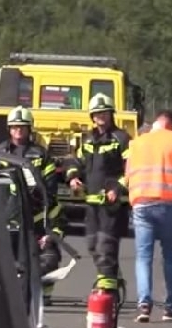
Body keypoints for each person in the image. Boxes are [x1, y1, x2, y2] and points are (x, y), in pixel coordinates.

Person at [126, 110, 172, 323]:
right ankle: (171, 307)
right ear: (171, 124)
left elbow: (128, 176)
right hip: (168, 204)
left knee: (143, 257)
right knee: (170, 257)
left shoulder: (136, 143)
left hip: (141, 205)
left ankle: (144, 305)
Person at [66, 93, 132, 301]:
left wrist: (117, 189)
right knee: (92, 245)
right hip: (91, 204)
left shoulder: (121, 138)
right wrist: (73, 178)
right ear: (92, 117)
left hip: (112, 205)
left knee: (106, 245)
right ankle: (112, 277)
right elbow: (75, 162)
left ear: (111, 114)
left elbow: (130, 169)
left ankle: (108, 295)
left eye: (104, 113)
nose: (101, 116)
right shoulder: (88, 139)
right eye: (97, 113)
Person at [0, 106, 65, 303]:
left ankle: (44, 293)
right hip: (7, 214)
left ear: (29, 129)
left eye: (22, 127)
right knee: (7, 257)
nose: (18, 130)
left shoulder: (40, 154)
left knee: (47, 256)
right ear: (9, 129)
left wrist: (42, 200)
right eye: (15, 127)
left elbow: (50, 186)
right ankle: (9, 293)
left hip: (34, 214)